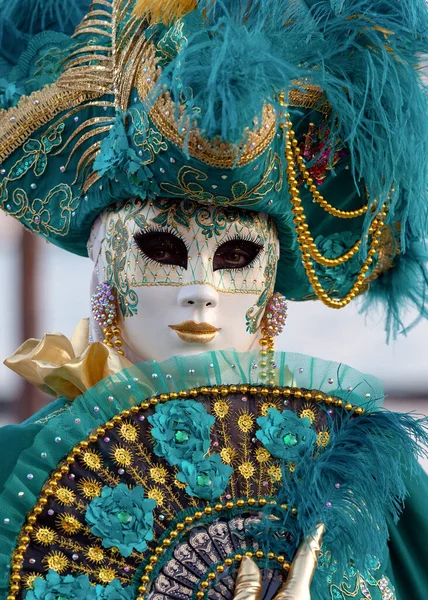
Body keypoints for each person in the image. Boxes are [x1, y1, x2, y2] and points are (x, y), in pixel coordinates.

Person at [0, 1, 427, 599]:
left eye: (236, 259)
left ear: (273, 289)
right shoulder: (13, 472)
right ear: (105, 275)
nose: (201, 292)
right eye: (161, 250)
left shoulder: (361, 477)